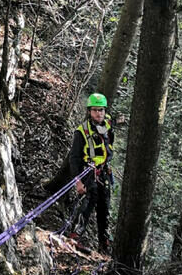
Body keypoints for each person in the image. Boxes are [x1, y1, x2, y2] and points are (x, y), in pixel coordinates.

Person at [68, 92, 114, 254]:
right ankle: (75, 236)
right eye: (95, 110)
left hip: (104, 173)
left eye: (101, 110)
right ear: (89, 111)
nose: (98, 113)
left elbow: (109, 147)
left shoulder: (108, 126)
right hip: (88, 173)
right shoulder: (81, 132)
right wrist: (78, 181)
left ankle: (104, 243)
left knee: (105, 208)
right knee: (87, 205)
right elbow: (74, 158)